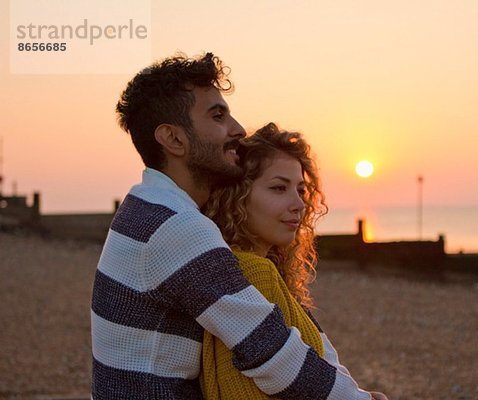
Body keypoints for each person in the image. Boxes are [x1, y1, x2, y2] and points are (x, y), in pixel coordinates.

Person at [90, 52, 376, 399]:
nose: (238, 130)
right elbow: (270, 350)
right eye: (217, 116)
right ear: (174, 140)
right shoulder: (176, 227)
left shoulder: (145, 207)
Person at [202, 123, 389, 400]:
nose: (299, 204)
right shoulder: (251, 271)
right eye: (279, 188)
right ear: (236, 196)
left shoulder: (242, 267)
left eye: (301, 190)